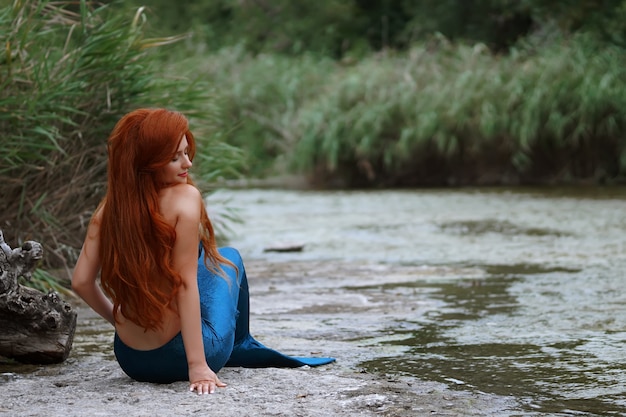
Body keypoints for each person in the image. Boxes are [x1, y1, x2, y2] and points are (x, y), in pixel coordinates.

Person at [71, 108, 334, 395]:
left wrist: (120, 322)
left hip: (130, 358)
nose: (188, 163)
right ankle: (241, 346)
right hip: (177, 357)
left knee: (208, 263)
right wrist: (197, 365)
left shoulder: (110, 208)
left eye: (186, 152)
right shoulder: (185, 198)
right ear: (148, 163)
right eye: (175, 158)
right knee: (230, 257)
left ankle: (233, 345)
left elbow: (81, 282)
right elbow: (185, 284)